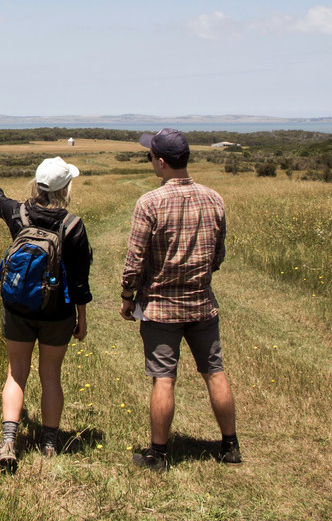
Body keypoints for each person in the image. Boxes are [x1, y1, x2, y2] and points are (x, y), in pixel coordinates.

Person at [120, 128, 241, 472]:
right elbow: (218, 256)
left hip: (160, 307)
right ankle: (230, 446)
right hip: (202, 303)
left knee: (164, 377)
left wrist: (128, 297)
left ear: (160, 162)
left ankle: (158, 454)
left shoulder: (150, 203)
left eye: (150, 157)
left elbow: (135, 261)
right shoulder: (214, 198)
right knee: (214, 371)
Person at [0, 157, 93, 470]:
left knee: (16, 372)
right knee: (50, 376)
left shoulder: (18, 214)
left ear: (37, 184)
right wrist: (81, 319)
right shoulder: (72, 225)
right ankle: (49, 442)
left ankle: (9, 441)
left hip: (17, 307)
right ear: (65, 188)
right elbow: (80, 280)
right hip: (58, 312)